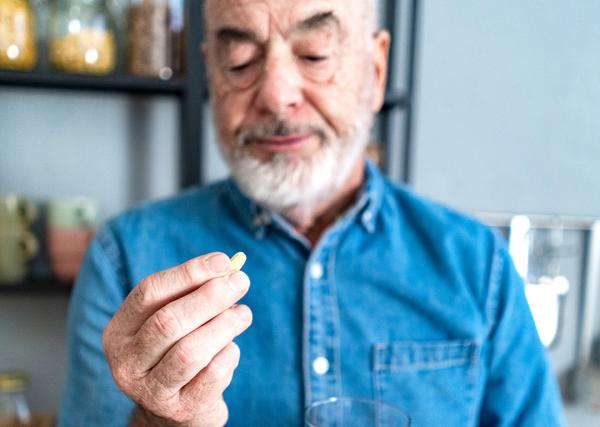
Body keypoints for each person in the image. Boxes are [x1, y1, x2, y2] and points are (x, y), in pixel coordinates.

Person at [58, 0, 566, 425]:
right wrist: (159, 419)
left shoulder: (479, 266)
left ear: (375, 68)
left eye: (315, 54)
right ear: (211, 72)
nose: (277, 96)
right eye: (239, 61)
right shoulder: (125, 257)